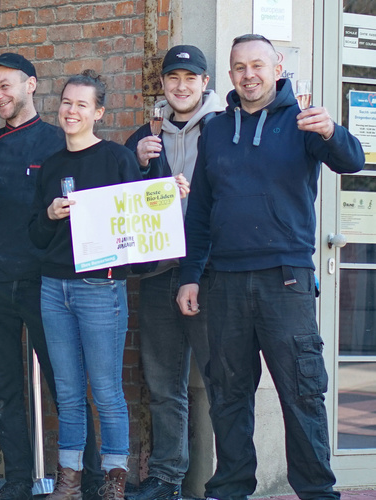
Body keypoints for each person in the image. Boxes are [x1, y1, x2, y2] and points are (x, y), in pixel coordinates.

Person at [176, 34, 364, 500]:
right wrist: (190, 275)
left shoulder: (304, 120)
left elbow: (352, 161)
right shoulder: (216, 128)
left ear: (277, 66)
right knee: (228, 396)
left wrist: (331, 132)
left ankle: (318, 492)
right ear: (231, 75)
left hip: (286, 280)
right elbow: (200, 210)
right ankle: (231, 487)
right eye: (239, 67)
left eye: (257, 65)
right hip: (224, 283)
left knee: (301, 395)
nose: (248, 75)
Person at [0, 53, 102, 500]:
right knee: (6, 386)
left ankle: (89, 479)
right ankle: (17, 479)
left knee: (65, 384)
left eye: (6, 85)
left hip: (46, 281)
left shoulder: (61, 141)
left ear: (31, 84)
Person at [29, 70, 187, 500]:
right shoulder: (50, 163)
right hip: (52, 287)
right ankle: (70, 480)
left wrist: (166, 198)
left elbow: (140, 221)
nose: (71, 111)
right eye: (66, 102)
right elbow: (35, 236)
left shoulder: (117, 158)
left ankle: (114, 481)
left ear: (98, 112)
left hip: (100, 289)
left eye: (82, 104)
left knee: (105, 389)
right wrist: (49, 215)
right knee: (67, 389)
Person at [122, 45, 223, 500]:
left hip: (209, 271)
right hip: (159, 271)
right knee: (164, 385)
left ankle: (230, 479)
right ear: (161, 85)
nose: (181, 86)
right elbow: (117, 206)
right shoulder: (145, 133)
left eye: (191, 78)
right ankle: (167, 478)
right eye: (173, 78)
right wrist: (137, 163)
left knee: (223, 382)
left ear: (205, 82)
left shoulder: (225, 126)